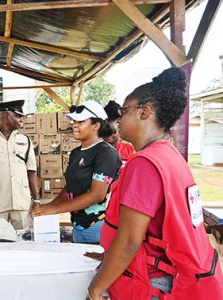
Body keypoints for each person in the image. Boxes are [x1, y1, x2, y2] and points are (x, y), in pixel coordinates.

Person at [87, 67, 223, 300]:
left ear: (145, 112)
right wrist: (110, 257)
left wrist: (96, 289)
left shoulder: (144, 163)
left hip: (151, 281)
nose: (119, 118)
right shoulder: (168, 155)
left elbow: (130, 241)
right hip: (168, 272)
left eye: (124, 110)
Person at [32, 101, 121, 244]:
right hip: (78, 225)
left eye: (81, 121)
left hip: (99, 226)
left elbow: (97, 195)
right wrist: (50, 206)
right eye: (74, 121)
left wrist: (55, 209)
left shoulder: (105, 153)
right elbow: (70, 187)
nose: (74, 124)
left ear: (96, 126)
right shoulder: (76, 153)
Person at [0, 100, 39, 230]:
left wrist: (36, 200)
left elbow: (31, 171)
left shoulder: (25, 140)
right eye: (17, 116)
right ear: (4, 116)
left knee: (23, 242)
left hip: (21, 202)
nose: (21, 120)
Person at [103, 100, 135, 166]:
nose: (111, 128)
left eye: (118, 122)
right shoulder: (93, 149)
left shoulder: (129, 149)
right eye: (106, 123)